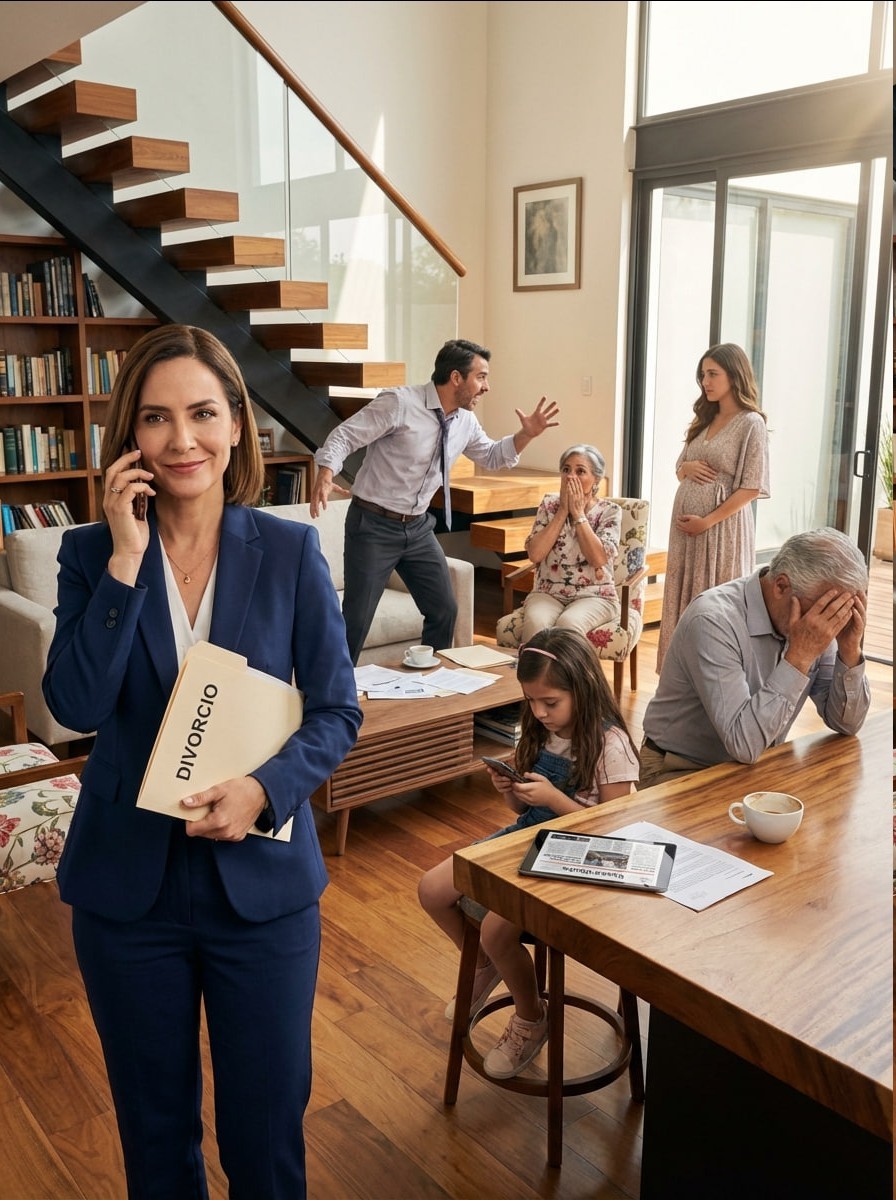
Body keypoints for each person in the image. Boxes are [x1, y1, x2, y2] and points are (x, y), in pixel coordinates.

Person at [42, 325, 362, 1200]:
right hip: (126, 895)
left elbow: (338, 709)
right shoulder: (87, 554)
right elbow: (74, 708)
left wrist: (266, 786)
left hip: (259, 888)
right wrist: (124, 561)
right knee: (155, 1138)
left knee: (264, 1140)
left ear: (236, 426)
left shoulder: (290, 551)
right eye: (156, 418)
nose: (182, 440)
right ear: (129, 438)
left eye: (202, 414)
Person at [418, 628, 639, 1080]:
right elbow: (523, 811)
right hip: (527, 837)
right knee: (431, 890)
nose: (539, 713)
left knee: (499, 927)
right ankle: (483, 965)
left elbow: (617, 835)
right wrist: (513, 792)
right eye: (532, 702)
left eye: (550, 703)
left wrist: (556, 799)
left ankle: (531, 1018)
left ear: (582, 687)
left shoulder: (609, 744)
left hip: (580, 859)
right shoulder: (539, 731)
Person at [310, 338, 560, 663]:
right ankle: (332, 696)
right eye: (481, 377)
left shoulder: (464, 421)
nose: (487, 386)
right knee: (355, 621)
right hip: (373, 525)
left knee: (444, 610)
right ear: (456, 377)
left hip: (417, 529)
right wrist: (327, 470)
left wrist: (526, 435)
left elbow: (494, 456)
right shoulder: (399, 403)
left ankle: (429, 686)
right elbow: (346, 435)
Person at [639, 527, 869, 790]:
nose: (832, 622)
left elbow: (847, 723)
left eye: (843, 610)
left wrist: (850, 650)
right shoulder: (713, 620)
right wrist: (799, 656)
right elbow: (743, 744)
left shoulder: (816, 618)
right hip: (680, 770)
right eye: (828, 610)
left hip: (755, 765)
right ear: (781, 586)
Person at [656, 343, 770, 673]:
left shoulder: (751, 423)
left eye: (712, 374)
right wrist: (687, 470)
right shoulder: (706, 418)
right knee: (684, 596)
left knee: (713, 601)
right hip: (687, 534)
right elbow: (680, 468)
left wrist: (707, 522)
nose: (705, 381)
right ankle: (680, 674)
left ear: (734, 376)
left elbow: (751, 486)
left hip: (721, 531)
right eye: (702, 375)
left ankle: (713, 675)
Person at [519, 443, 620, 643]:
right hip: (548, 592)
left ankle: (570, 676)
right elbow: (535, 554)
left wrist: (578, 514)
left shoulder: (610, 511)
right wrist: (563, 511)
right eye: (566, 470)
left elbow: (598, 558)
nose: (570, 476)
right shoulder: (549, 505)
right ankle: (531, 674)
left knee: (568, 624)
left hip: (596, 595)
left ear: (596, 479)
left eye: (580, 471)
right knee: (537, 624)